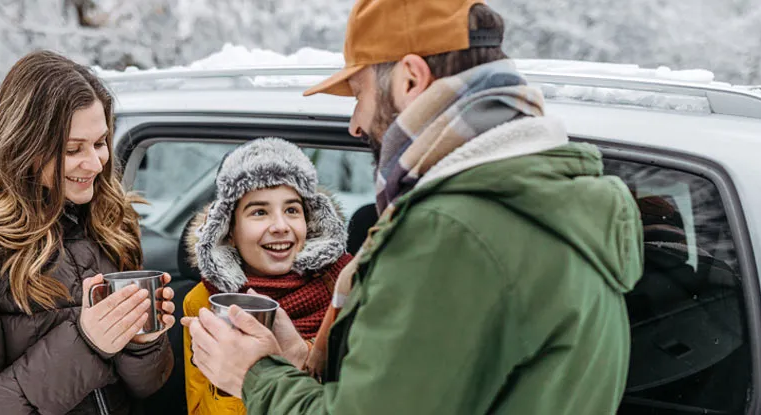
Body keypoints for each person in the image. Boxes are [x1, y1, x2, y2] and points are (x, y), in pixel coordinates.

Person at [181, 1, 645, 414]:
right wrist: (301, 362)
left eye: (359, 92)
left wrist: (254, 377)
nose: (356, 124)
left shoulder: (450, 230)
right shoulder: (549, 200)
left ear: (409, 78)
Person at [0, 50, 175, 415]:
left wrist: (142, 342)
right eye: (72, 149)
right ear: (26, 147)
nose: (95, 163)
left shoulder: (107, 223)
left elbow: (147, 387)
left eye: (99, 143)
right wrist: (87, 342)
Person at [180, 138, 353, 414]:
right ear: (230, 231)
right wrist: (232, 377)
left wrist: (299, 359)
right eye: (260, 212)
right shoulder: (205, 301)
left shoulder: (347, 290)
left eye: (292, 210)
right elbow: (199, 408)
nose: (281, 226)